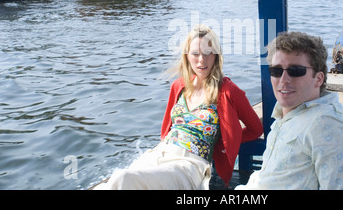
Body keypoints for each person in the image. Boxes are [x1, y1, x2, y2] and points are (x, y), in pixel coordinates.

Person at [96, 24, 263, 189]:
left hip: (189, 165)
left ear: (216, 56)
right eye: (195, 53)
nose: (201, 60)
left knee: (123, 178)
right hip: (160, 153)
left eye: (208, 53)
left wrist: (222, 142)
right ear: (187, 56)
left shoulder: (228, 91)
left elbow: (255, 129)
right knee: (107, 186)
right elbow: (167, 129)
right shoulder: (179, 86)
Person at [236, 31, 343, 190]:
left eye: (295, 71)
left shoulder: (328, 125)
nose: (283, 80)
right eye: (276, 71)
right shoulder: (287, 111)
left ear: (319, 79)